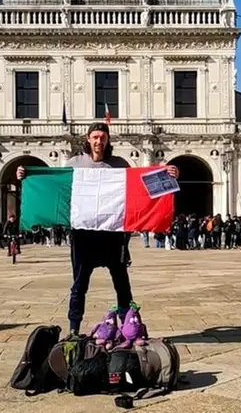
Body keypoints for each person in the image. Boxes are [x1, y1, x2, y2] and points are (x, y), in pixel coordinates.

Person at [17, 122, 179, 337]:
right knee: (79, 285)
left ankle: (129, 328)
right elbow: (56, 186)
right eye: (95, 137)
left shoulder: (119, 164)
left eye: (103, 137)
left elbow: (142, 186)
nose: (99, 141)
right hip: (84, 235)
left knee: (122, 284)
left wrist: (166, 174)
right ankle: (73, 328)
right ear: (88, 139)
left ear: (108, 140)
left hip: (113, 235)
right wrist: (25, 175)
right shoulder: (75, 163)